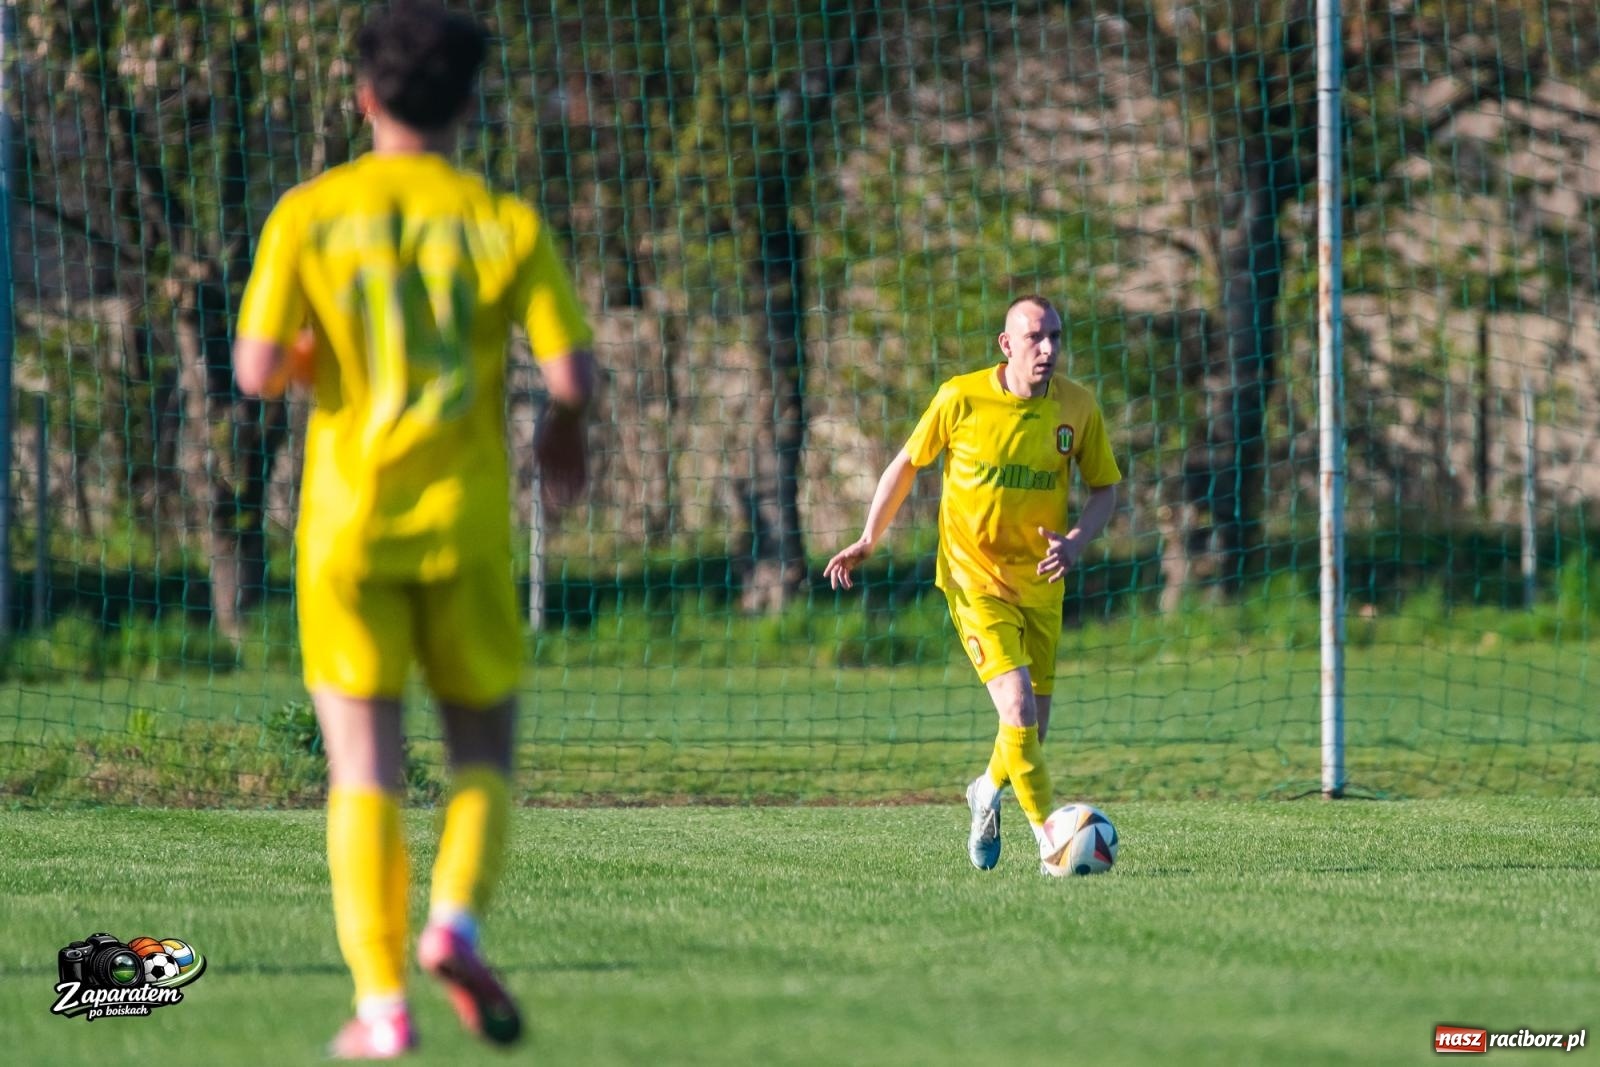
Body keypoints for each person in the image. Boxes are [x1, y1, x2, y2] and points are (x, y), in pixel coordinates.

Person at [233, 2, 595, 1057]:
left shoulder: (310, 214)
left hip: (346, 528)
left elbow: (254, 371)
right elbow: (570, 374)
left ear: (363, 96)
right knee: (482, 745)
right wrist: (563, 435)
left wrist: (315, 353)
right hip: (465, 523)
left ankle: (382, 1006)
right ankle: (454, 922)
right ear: (471, 104)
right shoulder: (502, 223)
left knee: (364, 768)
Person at [824, 295, 1120, 873]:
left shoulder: (1078, 408)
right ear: (1006, 345)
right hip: (972, 579)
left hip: (1041, 584)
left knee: (1029, 729)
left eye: (1056, 336)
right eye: (1035, 338)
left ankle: (985, 791)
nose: (1049, 349)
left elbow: (1106, 487)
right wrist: (868, 537)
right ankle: (1050, 840)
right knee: (1017, 705)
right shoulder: (961, 397)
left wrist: (1078, 542)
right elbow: (907, 463)